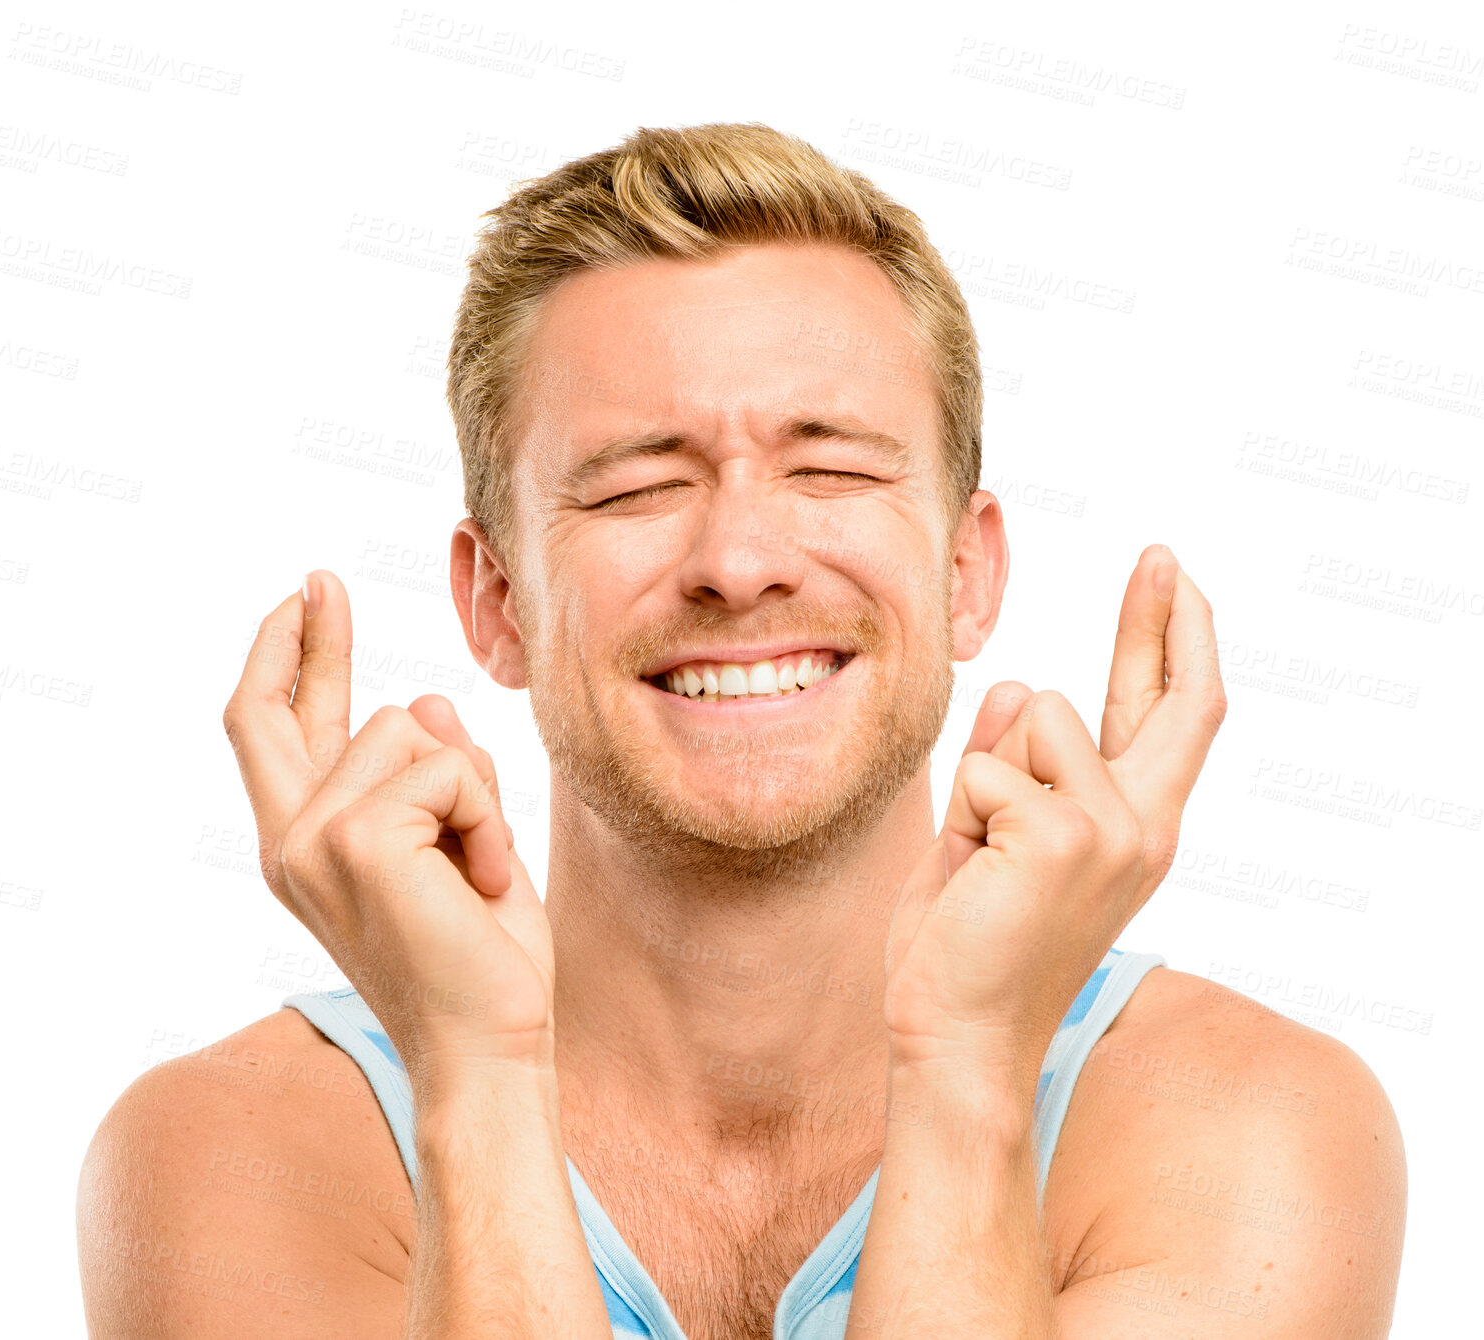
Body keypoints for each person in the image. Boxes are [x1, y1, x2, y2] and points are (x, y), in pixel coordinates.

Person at [77, 122, 1406, 1339]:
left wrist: (968, 1070)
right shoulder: (231, 1152)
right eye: (640, 487)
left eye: (830, 468)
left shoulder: (1252, 1130)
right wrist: (475, 1079)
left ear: (968, 574)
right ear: (496, 605)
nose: (740, 559)